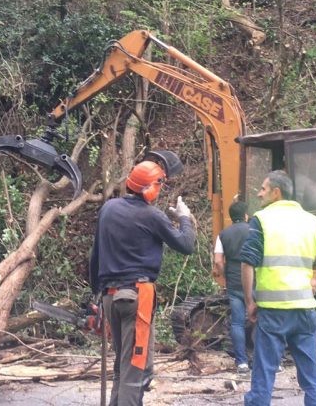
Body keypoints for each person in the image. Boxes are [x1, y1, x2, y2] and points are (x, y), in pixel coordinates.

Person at [239, 170, 316, 406]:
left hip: (273, 311)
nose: (259, 194)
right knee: (310, 373)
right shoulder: (311, 221)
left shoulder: (262, 219)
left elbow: (248, 262)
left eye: (263, 189)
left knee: (264, 372)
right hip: (304, 309)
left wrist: (250, 301)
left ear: (276, 192)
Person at [89, 160, 196, 406]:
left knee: (122, 365)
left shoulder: (108, 209)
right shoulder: (152, 215)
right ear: (151, 188)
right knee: (136, 368)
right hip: (137, 295)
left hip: (109, 295)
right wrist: (185, 218)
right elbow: (186, 245)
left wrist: (96, 296)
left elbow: (95, 255)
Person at [213, 200, 252, 372]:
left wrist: (225, 274)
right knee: (261, 321)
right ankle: (270, 361)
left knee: (237, 323)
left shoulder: (223, 234)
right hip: (255, 281)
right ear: (246, 215)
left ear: (231, 217)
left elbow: (218, 261)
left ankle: (242, 362)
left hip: (235, 283)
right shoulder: (255, 231)